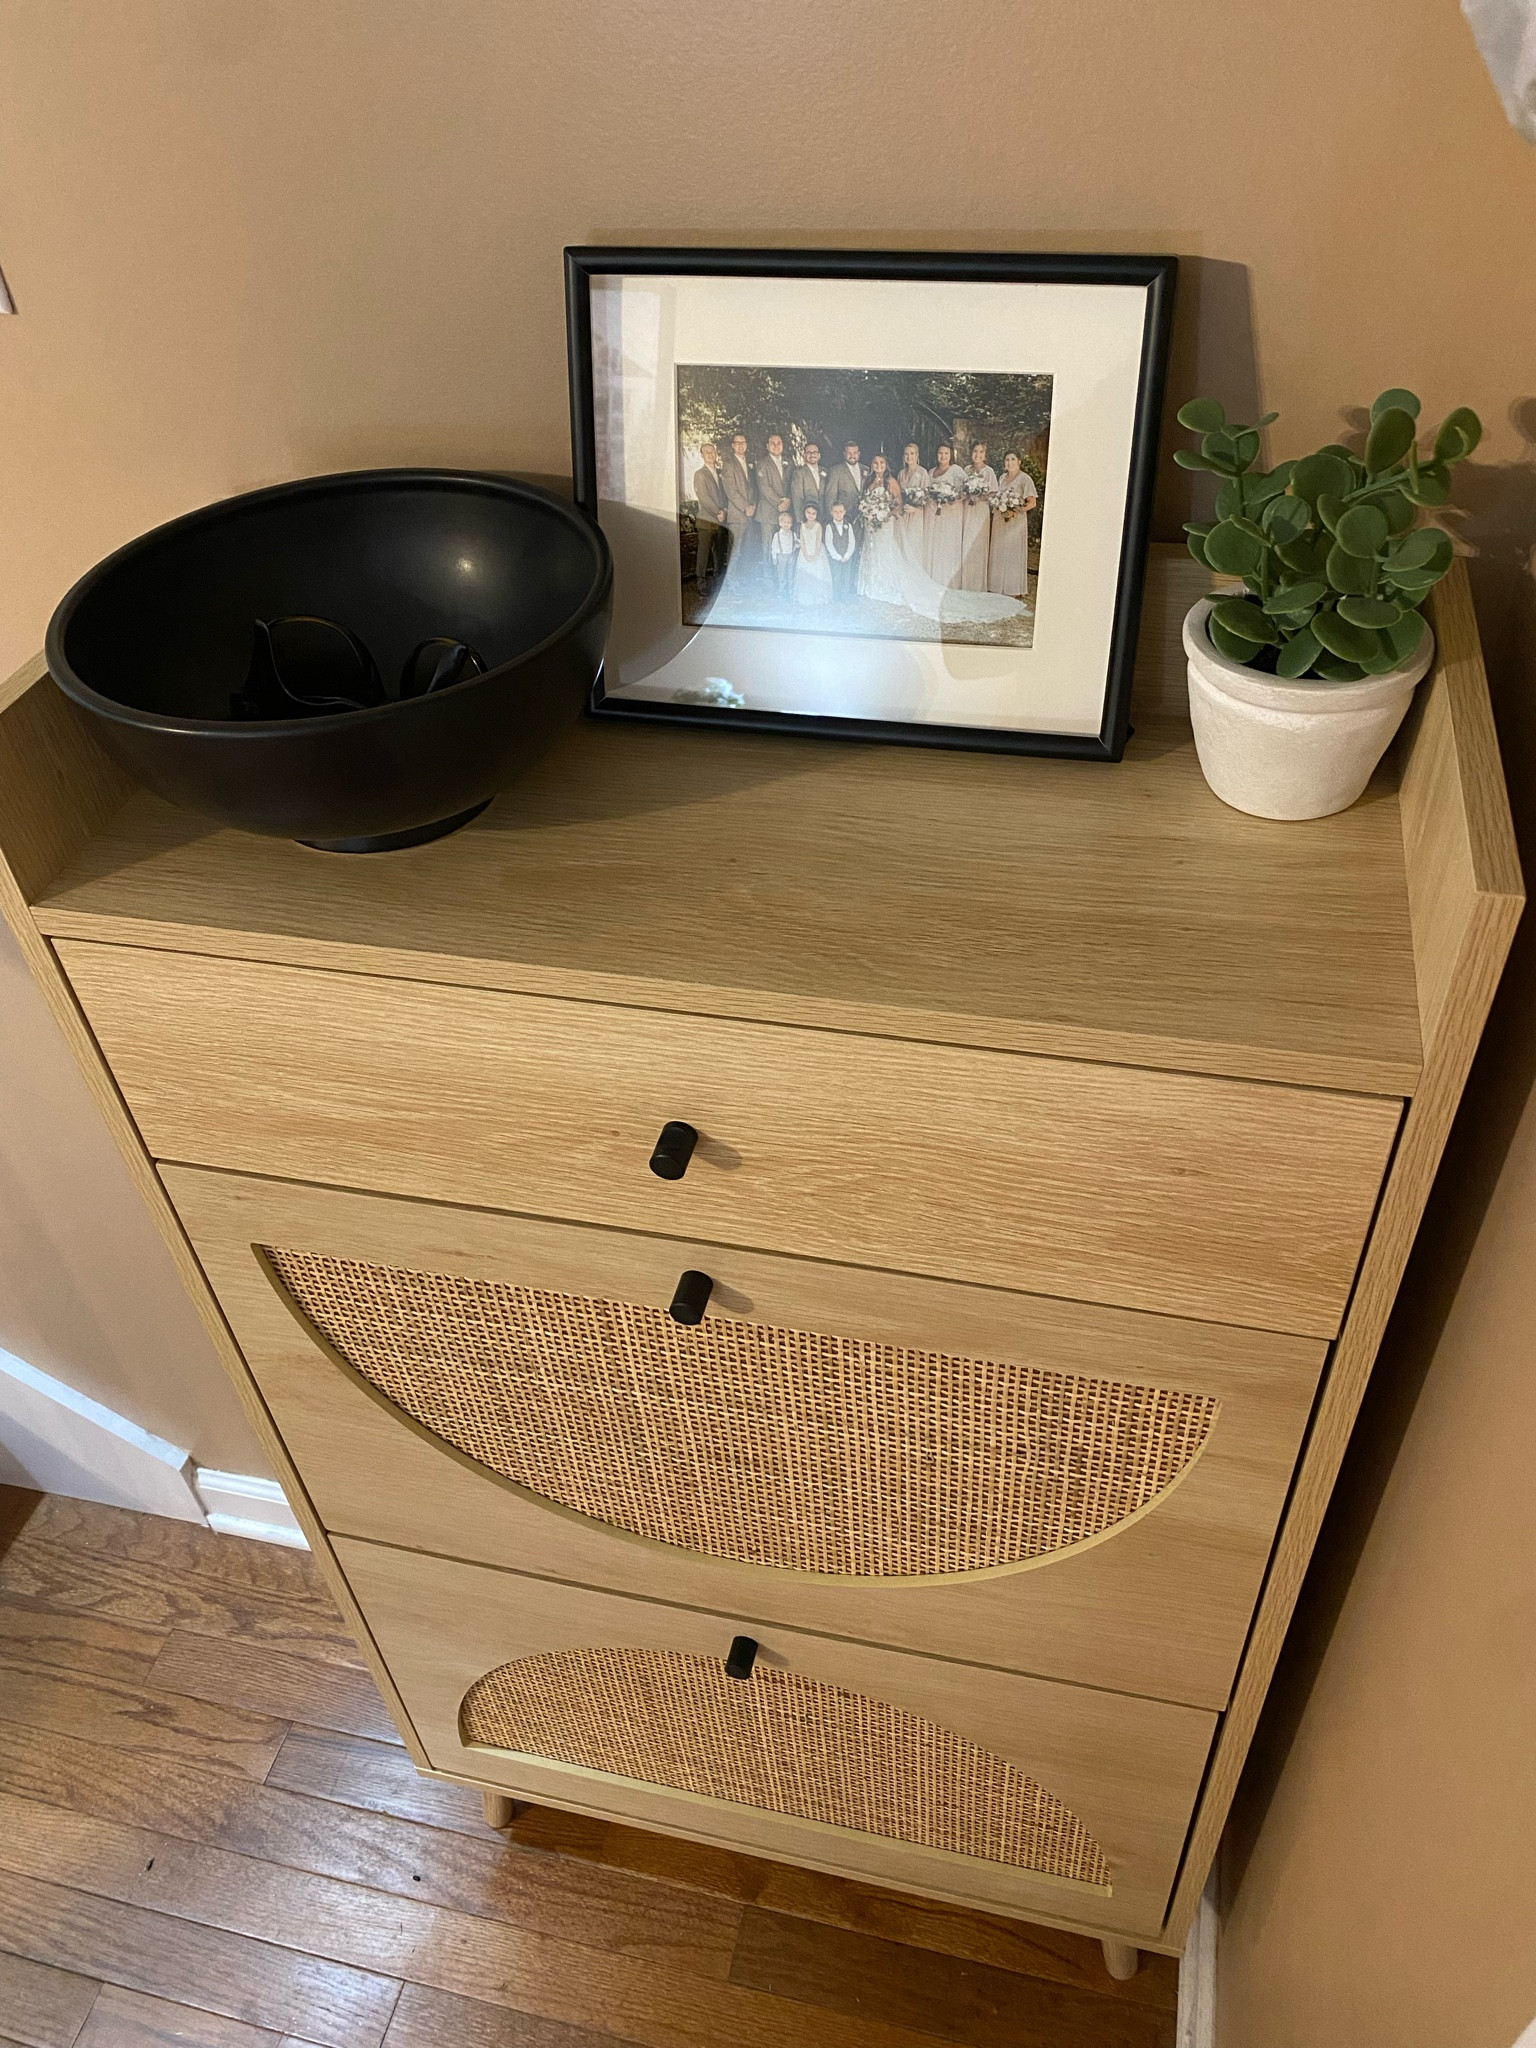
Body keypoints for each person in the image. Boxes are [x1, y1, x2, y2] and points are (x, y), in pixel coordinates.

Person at [988, 451, 1038, 599]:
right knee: (1000, 551)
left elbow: (1032, 503)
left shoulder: (1025, 479)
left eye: (1013, 459)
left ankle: (1013, 587)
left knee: (1013, 553)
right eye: (1007, 460)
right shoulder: (1002, 478)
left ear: (1019, 461)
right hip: (1000, 519)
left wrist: (1016, 511)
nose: (1009, 462)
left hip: (1015, 521)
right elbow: (998, 497)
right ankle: (997, 586)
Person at [959, 439, 998, 591]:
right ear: (971, 453)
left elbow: (993, 492)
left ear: (985, 454)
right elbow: (962, 489)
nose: (978, 455)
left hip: (980, 510)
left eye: (981, 452)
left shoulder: (988, 471)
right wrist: (968, 495)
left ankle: (977, 584)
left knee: (977, 544)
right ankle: (966, 582)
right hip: (967, 509)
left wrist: (979, 497)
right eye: (975, 451)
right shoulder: (966, 470)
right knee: (966, 543)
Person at [927, 442, 966, 589]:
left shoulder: (956, 470)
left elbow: (965, 491)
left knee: (948, 546)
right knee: (936, 546)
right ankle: (936, 579)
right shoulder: (931, 472)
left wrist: (951, 499)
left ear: (951, 455)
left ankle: (949, 582)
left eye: (946, 453)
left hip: (952, 514)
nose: (943, 456)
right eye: (940, 453)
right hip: (935, 515)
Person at [753, 433, 793, 574]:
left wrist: (789, 501)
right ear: (767, 446)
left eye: (779, 443)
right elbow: (764, 488)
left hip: (785, 511)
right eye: (773, 443)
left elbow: (792, 484)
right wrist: (780, 503)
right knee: (769, 545)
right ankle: (768, 576)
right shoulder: (762, 464)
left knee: (784, 544)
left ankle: (781, 576)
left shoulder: (789, 463)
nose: (776, 446)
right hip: (769, 512)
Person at [692, 442, 728, 591]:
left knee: (719, 553)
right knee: (704, 554)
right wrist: (717, 512)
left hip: (721, 520)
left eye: (712, 451)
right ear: (702, 455)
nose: (710, 454)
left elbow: (727, 493)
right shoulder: (700, 474)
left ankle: (718, 583)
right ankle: (702, 584)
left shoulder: (721, 472)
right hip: (707, 521)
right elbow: (704, 497)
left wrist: (725, 510)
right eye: (706, 452)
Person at [721, 432, 757, 577]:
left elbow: (754, 488)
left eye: (743, 443)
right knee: (735, 551)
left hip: (750, 514)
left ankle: (744, 580)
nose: (741, 446)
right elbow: (731, 491)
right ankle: (731, 583)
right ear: (733, 446)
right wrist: (745, 507)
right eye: (738, 443)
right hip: (737, 515)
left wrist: (753, 505)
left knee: (747, 549)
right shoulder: (729, 465)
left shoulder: (750, 463)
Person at [897, 443, 931, 575]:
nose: (909, 456)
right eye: (906, 454)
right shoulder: (901, 473)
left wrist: (915, 508)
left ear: (917, 455)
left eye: (912, 453)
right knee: (903, 545)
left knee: (914, 545)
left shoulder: (922, 473)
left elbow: (927, 497)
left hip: (916, 515)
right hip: (903, 514)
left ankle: (915, 575)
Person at [795, 504, 834, 606]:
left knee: (817, 573)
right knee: (806, 574)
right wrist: (805, 554)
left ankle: (818, 597)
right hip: (805, 551)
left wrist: (815, 554)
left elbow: (818, 541)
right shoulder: (802, 525)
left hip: (816, 551)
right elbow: (802, 541)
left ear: (817, 514)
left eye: (813, 513)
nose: (811, 515)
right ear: (805, 513)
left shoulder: (818, 526)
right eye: (808, 513)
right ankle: (806, 597)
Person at [827, 441, 867, 532]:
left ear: (859, 453)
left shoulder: (866, 469)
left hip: (863, 517)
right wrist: (832, 519)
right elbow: (830, 496)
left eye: (855, 453)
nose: (852, 455)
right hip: (843, 517)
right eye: (849, 453)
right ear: (844, 454)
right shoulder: (835, 471)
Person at [825, 500, 858, 599]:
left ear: (844, 512)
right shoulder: (829, 527)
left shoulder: (848, 526)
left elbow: (851, 542)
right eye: (835, 512)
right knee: (836, 575)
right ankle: (836, 596)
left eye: (840, 511)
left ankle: (845, 596)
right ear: (831, 513)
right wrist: (837, 556)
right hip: (835, 557)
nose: (838, 514)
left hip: (847, 556)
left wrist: (847, 555)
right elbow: (829, 543)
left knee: (846, 576)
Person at [791, 442, 829, 527]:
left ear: (819, 455)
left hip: (824, 518)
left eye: (815, 452)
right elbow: (797, 497)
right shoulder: (799, 473)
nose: (812, 455)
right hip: (808, 518)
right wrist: (801, 520)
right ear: (804, 455)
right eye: (809, 452)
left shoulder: (825, 471)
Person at [768, 507, 799, 601]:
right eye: (784, 522)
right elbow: (774, 547)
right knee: (781, 574)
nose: (786, 524)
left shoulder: (793, 534)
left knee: (790, 573)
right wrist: (774, 558)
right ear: (780, 523)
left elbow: (796, 543)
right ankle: (781, 591)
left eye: (789, 523)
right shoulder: (777, 535)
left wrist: (798, 545)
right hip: (781, 556)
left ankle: (790, 591)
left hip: (791, 555)